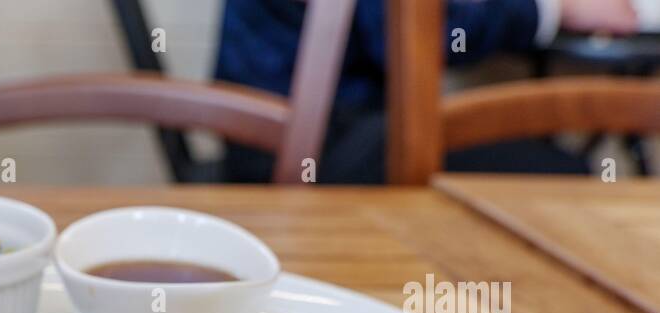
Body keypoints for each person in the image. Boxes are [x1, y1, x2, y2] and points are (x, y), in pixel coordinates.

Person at [215, 0, 644, 182]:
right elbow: (408, 36)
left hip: (298, 124)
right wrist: (550, 7)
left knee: (547, 164)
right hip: (300, 144)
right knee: (558, 173)